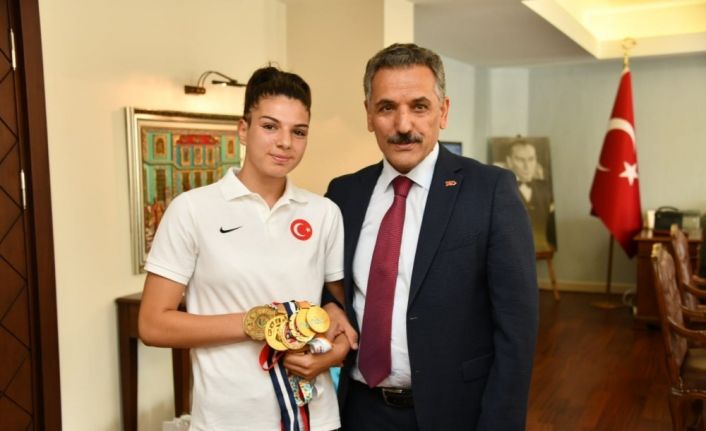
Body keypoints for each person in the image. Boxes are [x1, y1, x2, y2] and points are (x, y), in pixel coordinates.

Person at [323, 43, 539, 430]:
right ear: (369, 114)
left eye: (419, 106)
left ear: (444, 111)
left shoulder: (490, 191)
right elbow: (326, 283)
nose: (403, 125)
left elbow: (517, 331)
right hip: (358, 410)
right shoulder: (343, 194)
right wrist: (330, 305)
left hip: (454, 413)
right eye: (386, 108)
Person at [138, 66, 350, 431]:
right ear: (242, 129)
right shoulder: (192, 209)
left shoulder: (324, 213)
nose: (285, 142)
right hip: (226, 418)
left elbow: (344, 307)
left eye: (298, 131)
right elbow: (153, 324)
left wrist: (338, 347)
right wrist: (261, 323)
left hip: (313, 416)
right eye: (270, 126)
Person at [505, 139, 557, 252]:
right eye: (520, 160)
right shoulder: (501, 190)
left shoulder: (546, 189)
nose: (527, 166)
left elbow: (551, 227)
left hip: (542, 248)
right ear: (509, 161)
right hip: (512, 251)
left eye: (531, 159)